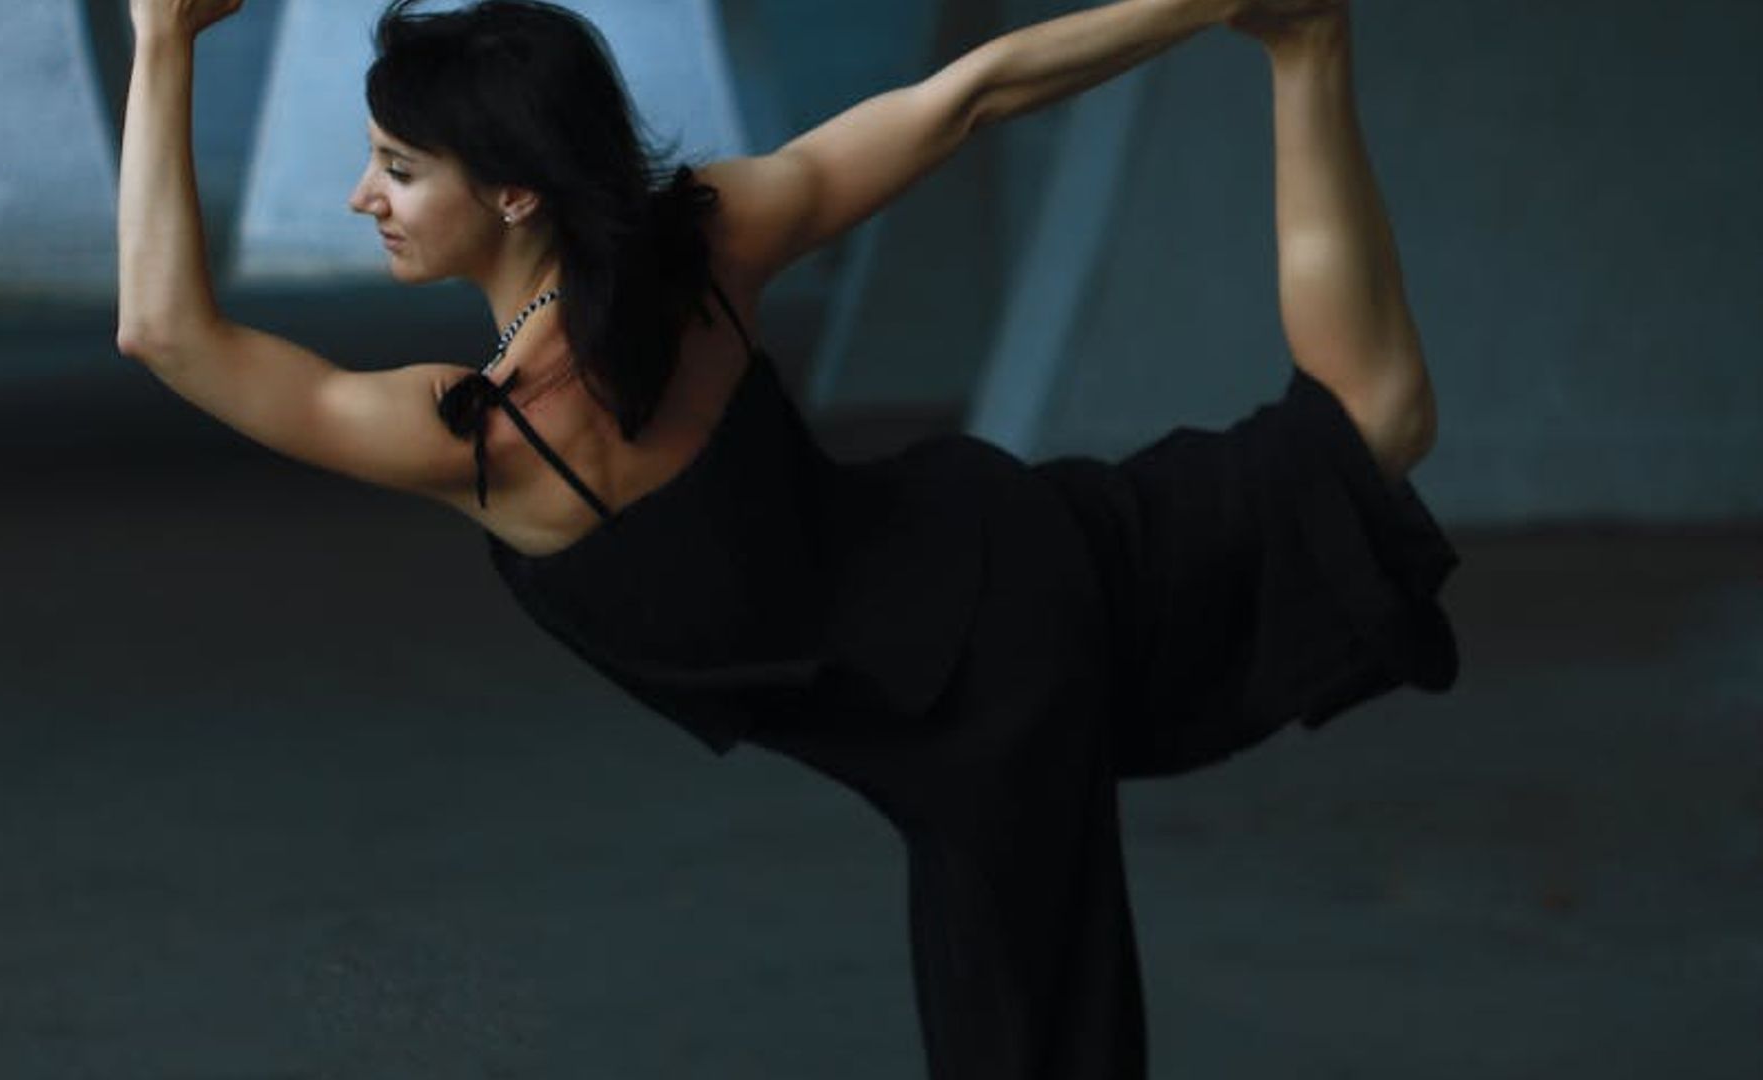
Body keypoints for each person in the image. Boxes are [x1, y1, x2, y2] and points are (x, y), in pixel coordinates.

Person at [116, 0, 1460, 1076]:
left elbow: (167, 334)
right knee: (1371, 422)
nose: (365, 196)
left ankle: (1304, 43)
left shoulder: (486, 440)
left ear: (516, 193)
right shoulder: (701, 246)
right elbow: (968, 96)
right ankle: (1307, 43)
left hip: (976, 710)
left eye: (399, 170)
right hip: (1009, 563)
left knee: (1035, 1038)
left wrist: (164, 39)